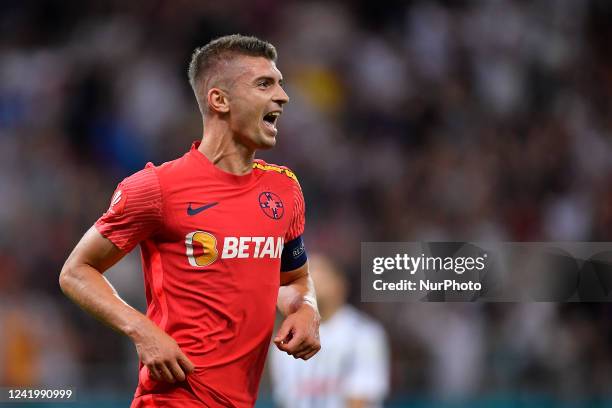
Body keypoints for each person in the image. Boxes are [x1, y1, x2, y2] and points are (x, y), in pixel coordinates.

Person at [59, 34, 321, 408]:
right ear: (219, 100)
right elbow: (76, 271)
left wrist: (306, 308)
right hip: (172, 399)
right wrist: (142, 331)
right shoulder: (156, 188)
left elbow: (294, 278)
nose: (283, 96)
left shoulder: (284, 190)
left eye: (280, 83)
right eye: (265, 84)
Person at [270, 254, 389, 408]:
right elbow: (286, 399)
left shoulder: (363, 334)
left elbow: (361, 400)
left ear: (339, 284)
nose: (312, 282)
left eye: (320, 273)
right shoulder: (285, 336)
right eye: (306, 275)